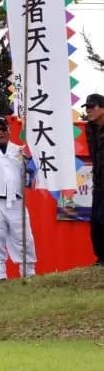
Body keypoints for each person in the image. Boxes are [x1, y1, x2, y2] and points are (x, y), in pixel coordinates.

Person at [0, 115, 37, 282]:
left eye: (4, 129)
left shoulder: (19, 150)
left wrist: (29, 161)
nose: (1, 133)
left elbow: (30, 176)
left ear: (9, 130)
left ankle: (28, 271)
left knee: (24, 236)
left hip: (16, 200)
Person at [85, 93, 104, 266]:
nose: (89, 110)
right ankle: (101, 258)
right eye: (87, 107)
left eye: (93, 107)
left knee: (102, 218)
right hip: (98, 183)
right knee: (95, 222)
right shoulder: (89, 129)